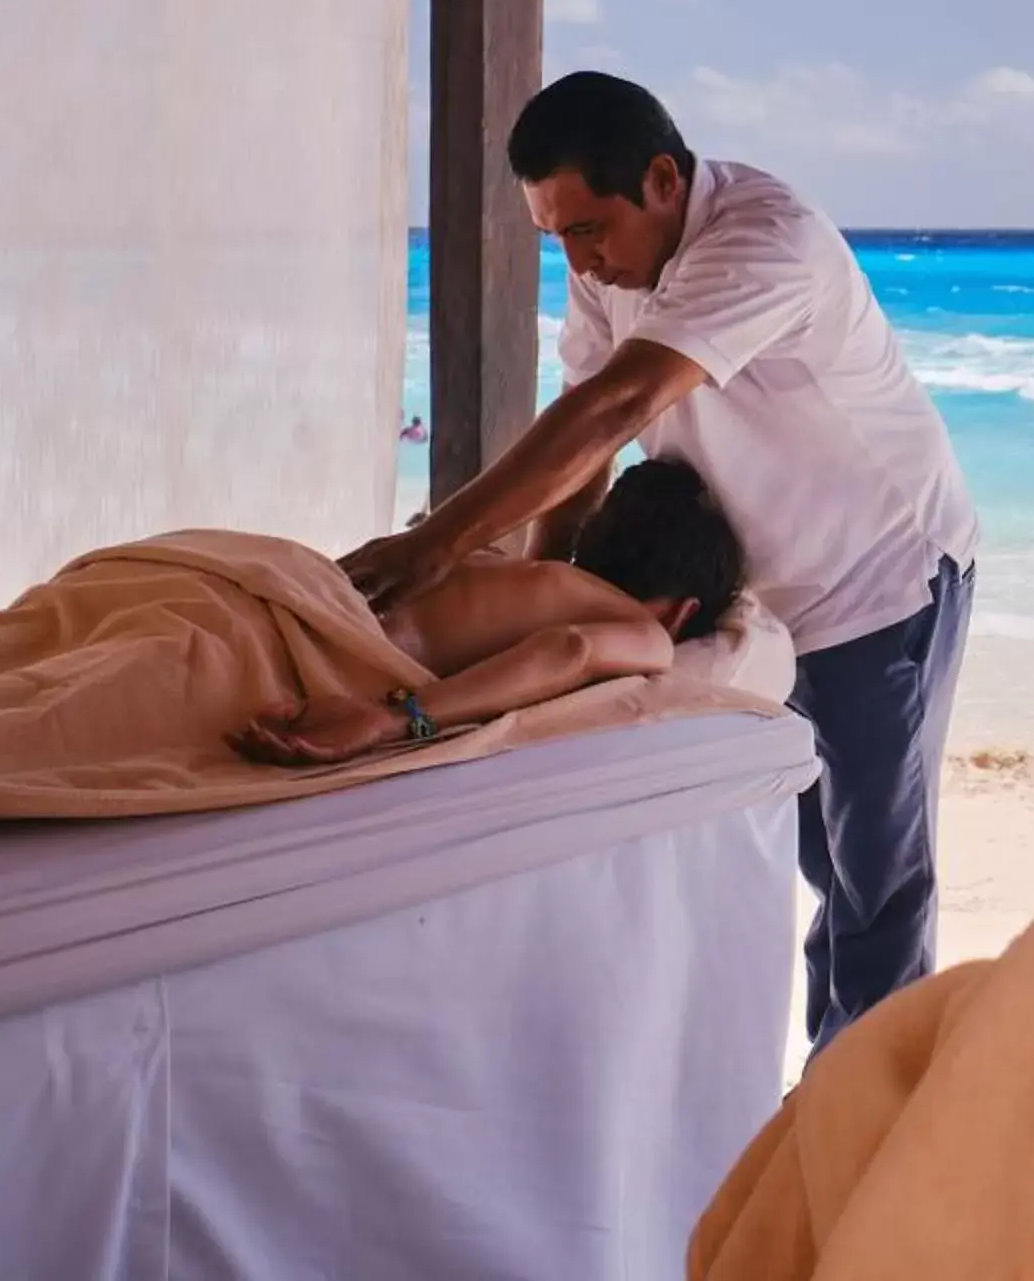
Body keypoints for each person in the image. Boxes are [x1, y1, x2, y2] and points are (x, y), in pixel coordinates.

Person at [338, 74, 979, 1049]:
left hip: (878, 576)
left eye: (590, 228)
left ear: (664, 179)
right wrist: (547, 588)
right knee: (821, 858)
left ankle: (873, 1126)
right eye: (556, 233)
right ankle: (836, 1095)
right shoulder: (610, 269)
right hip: (767, 595)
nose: (578, 259)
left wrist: (434, 545)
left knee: (877, 881)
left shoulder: (765, 240)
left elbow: (616, 408)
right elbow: (584, 447)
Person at [239, 454, 780, 764]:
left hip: (261, 591)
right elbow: (571, 649)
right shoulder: (649, 634)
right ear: (683, 613)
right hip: (284, 650)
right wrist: (396, 719)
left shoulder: (498, 565)